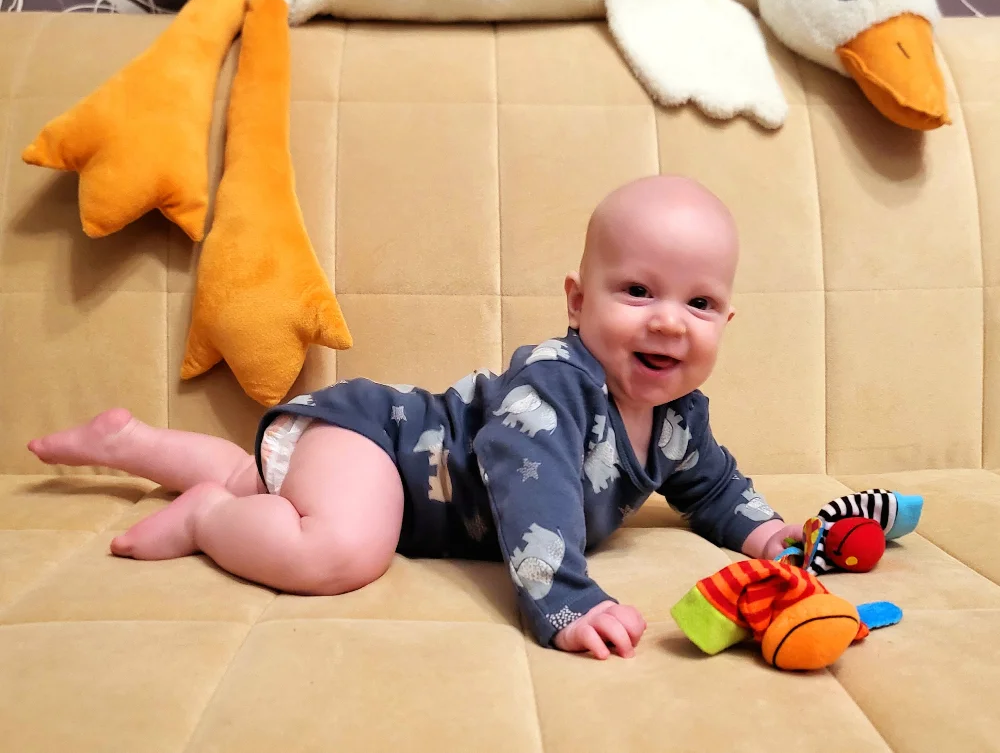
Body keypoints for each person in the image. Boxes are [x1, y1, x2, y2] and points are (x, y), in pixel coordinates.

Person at [27, 174, 801, 660]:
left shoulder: (677, 420)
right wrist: (567, 597)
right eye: (637, 290)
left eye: (700, 302)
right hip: (378, 442)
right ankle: (207, 519)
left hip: (345, 458)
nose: (668, 320)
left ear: (727, 321)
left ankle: (130, 442)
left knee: (256, 475)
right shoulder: (554, 386)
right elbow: (532, 486)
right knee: (342, 548)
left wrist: (769, 534)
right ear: (577, 300)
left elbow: (713, 486)